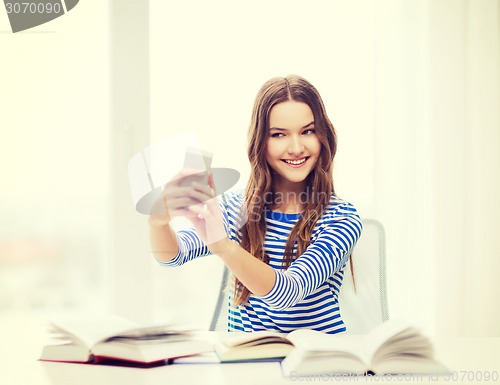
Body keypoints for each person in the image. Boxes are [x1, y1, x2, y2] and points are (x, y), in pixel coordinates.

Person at [148, 75, 362, 334]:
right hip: (245, 364)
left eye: (308, 131)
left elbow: (288, 293)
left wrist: (223, 246)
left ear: (323, 136)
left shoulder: (341, 218)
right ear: (260, 142)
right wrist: (158, 220)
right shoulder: (237, 208)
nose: (296, 147)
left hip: (314, 364)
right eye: (279, 134)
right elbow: (172, 256)